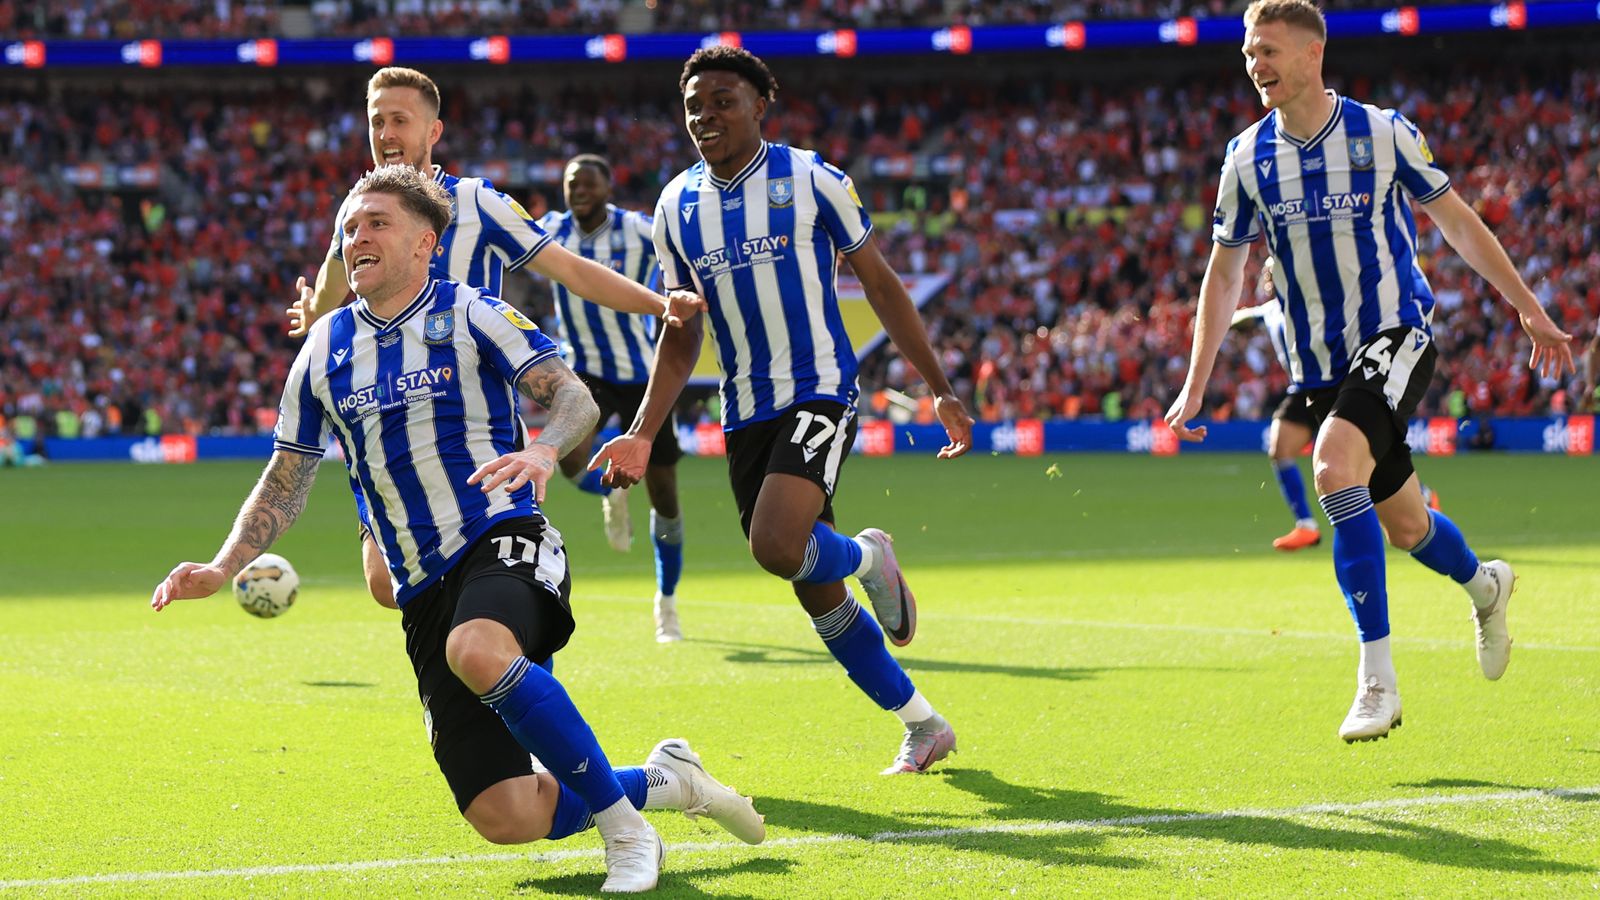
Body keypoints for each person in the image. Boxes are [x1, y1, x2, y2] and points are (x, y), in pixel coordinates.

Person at [152, 166, 763, 893]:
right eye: (349, 227)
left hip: (504, 537)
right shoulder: (322, 351)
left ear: (425, 244)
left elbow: (571, 396)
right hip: (421, 585)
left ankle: (626, 832)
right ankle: (666, 780)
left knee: (477, 646)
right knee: (505, 813)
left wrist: (542, 448)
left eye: (376, 222)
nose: (357, 238)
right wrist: (223, 566)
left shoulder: (473, 312)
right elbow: (288, 476)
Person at [1166, 0, 1575, 743]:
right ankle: (1486, 586)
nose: (1256, 64)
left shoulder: (1382, 133)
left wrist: (1526, 306)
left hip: (1396, 333)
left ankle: (1376, 683)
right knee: (1407, 524)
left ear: (1314, 55)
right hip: (1322, 366)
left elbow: (1456, 221)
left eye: (1269, 51)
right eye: (1249, 53)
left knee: (1330, 466)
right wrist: (1196, 380)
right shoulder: (1245, 158)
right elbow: (1224, 276)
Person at [589, 47, 976, 774]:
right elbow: (681, 335)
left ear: (762, 104)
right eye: (695, 105)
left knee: (774, 545)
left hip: (819, 389)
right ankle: (922, 723)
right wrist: (641, 432)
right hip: (746, 410)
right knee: (814, 590)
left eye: (724, 100)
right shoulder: (675, 206)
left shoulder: (812, 179)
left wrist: (940, 386)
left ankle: (870, 554)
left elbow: (884, 287)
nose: (707, 116)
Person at [285, 66, 702, 611]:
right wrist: (312, 312)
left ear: (433, 132)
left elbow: (570, 269)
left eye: (400, 121)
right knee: (387, 585)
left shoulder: (479, 204)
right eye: (376, 121)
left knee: (489, 571)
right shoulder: (360, 209)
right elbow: (331, 282)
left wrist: (659, 302)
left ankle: (509, 654)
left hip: (473, 420)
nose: (386, 134)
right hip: (389, 421)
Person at [538, 154, 690, 642]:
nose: (578, 190)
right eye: (570, 184)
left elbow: (679, 251)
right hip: (584, 368)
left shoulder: (638, 230)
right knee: (569, 458)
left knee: (665, 496)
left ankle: (666, 602)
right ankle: (613, 490)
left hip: (642, 373)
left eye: (587, 183)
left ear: (608, 187)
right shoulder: (550, 230)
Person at [1233, 259, 1439, 552]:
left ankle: (1420, 496)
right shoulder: (1268, 311)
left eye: (1274, 274)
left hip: (1336, 383)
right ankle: (1306, 524)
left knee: (1364, 462)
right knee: (1280, 449)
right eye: (1268, 277)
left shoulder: (1313, 301)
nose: (1270, 282)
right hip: (1304, 387)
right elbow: (1241, 318)